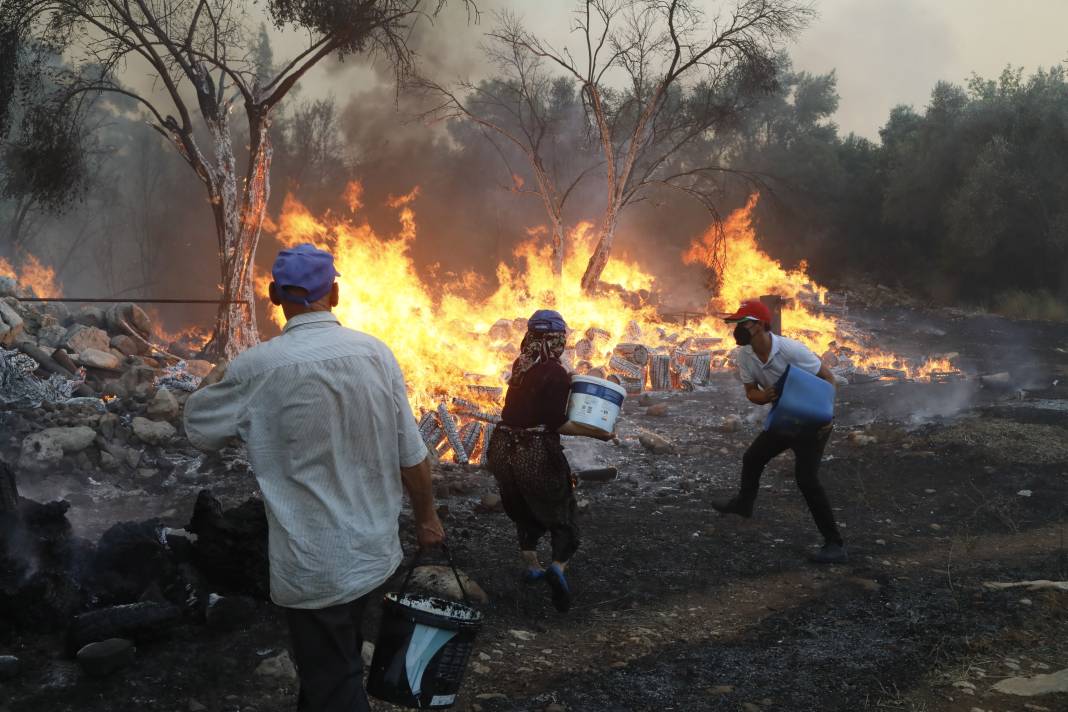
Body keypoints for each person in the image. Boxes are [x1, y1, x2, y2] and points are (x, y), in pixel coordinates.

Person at [183, 243, 444, 712]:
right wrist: (428, 519)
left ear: (274, 296)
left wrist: (219, 376)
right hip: (374, 553)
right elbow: (412, 453)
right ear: (336, 294)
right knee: (332, 667)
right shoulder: (375, 354)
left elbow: (200, 429)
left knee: (334, 679)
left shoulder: (257, 367)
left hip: (313, 565)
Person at [485, 309, 610, 613]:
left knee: (522, 504)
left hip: (502, 448)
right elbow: (556, 423)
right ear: (557, 338)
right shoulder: (556, 373)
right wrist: (599, 433)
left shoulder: (521, 364)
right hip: (533, 451)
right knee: (563, 510)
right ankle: (557, 568)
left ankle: (531, 565)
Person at [711, 298, 847, 564]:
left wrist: (826, 416)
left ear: (761, 325)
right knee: (753, 458)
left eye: (743, 323)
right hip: (784, 417)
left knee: (807, 480)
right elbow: (751, 391)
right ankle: (744, 504)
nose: (737, 328)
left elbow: (828, 378)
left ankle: (835, 544)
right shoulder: (745, 354)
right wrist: (763, 397)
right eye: (736, 323)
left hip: (812, 422)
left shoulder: (792, 350)